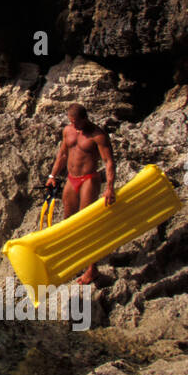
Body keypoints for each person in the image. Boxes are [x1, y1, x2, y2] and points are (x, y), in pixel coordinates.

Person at [45, 103, 116, 284]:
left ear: (85, 118)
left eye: (77, 122)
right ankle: (75, 260)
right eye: (71, 122)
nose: (74, 126)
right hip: (71, 179)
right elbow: (62, 155)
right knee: (68, 221)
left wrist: (110, 187)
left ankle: (92, 269)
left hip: (89, 180)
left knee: (86, 224)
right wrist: (53, 175)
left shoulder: (97, 135)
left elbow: (108, 162)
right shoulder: (68, 131)